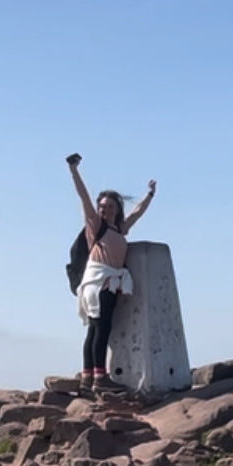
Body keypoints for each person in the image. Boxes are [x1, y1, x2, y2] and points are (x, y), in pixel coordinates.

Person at [66, 153, 156, 383]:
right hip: (98, 282)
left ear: (117, 208)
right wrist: (74, 171)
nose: (104, 209)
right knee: (101, 328)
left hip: (109, 282)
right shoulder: (96, 225)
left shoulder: (119, 229)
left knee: (96, 329)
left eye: (109, 206)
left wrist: (150, 195)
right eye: (102, 206)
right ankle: (99, 376)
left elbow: (136, 213)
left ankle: (89, 376)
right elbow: (84, 197)